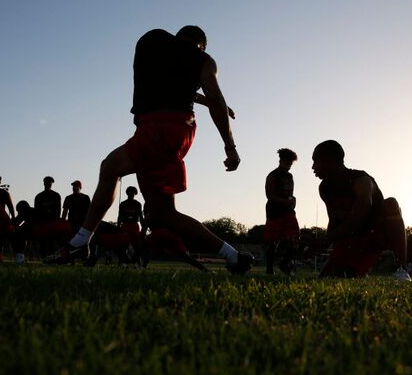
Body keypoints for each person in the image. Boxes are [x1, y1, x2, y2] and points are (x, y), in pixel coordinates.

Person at [45, 25, 255, 274]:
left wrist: (213, 106)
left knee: (111, 167)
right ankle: (234, 257)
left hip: (161, 126)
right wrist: (230, 147)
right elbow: (209, 98)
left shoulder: (153, 41)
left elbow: (190, 90)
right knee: (160, 214)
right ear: (200, 45)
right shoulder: (203, 60)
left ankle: (81, 241)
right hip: (176, 127)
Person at [310, 140, 410, 280]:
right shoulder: (325, 188)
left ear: (331, 160)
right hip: (354, 238)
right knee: (331, 277)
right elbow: (333, 220)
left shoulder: (361, 180)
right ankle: (359, 268)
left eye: (317, 161)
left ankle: (402, 268)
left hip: (377, 233)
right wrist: (324, 245)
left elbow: (358, 220)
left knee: (390, 204)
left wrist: (326, 239)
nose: (313, 167)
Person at [263, 148, 300, 274]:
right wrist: (284, 201)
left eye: (290, 164)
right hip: (274, 212)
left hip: (288, 211)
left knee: (294, 237)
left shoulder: (289, 176)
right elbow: (269, 195)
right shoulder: (272, 176)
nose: (289, 166)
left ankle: (285, 264)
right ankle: (269, 269)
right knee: (272, 241)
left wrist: (293, 200)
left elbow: (290, 193)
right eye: (287, 163)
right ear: (281, 161)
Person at [117, 186, 144, 252]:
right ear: (127, 193)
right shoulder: (122, 204)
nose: (131, 194)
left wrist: (143, 228)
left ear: (135, 194)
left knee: (136, 243)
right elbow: (119, 216)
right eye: (130, 192)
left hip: (134, 225)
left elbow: (140, 217)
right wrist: (118, 226)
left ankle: (137, 258)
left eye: (133, 193)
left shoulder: (138, 204)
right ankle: (123, 258)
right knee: (123, 242)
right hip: (125, 225)